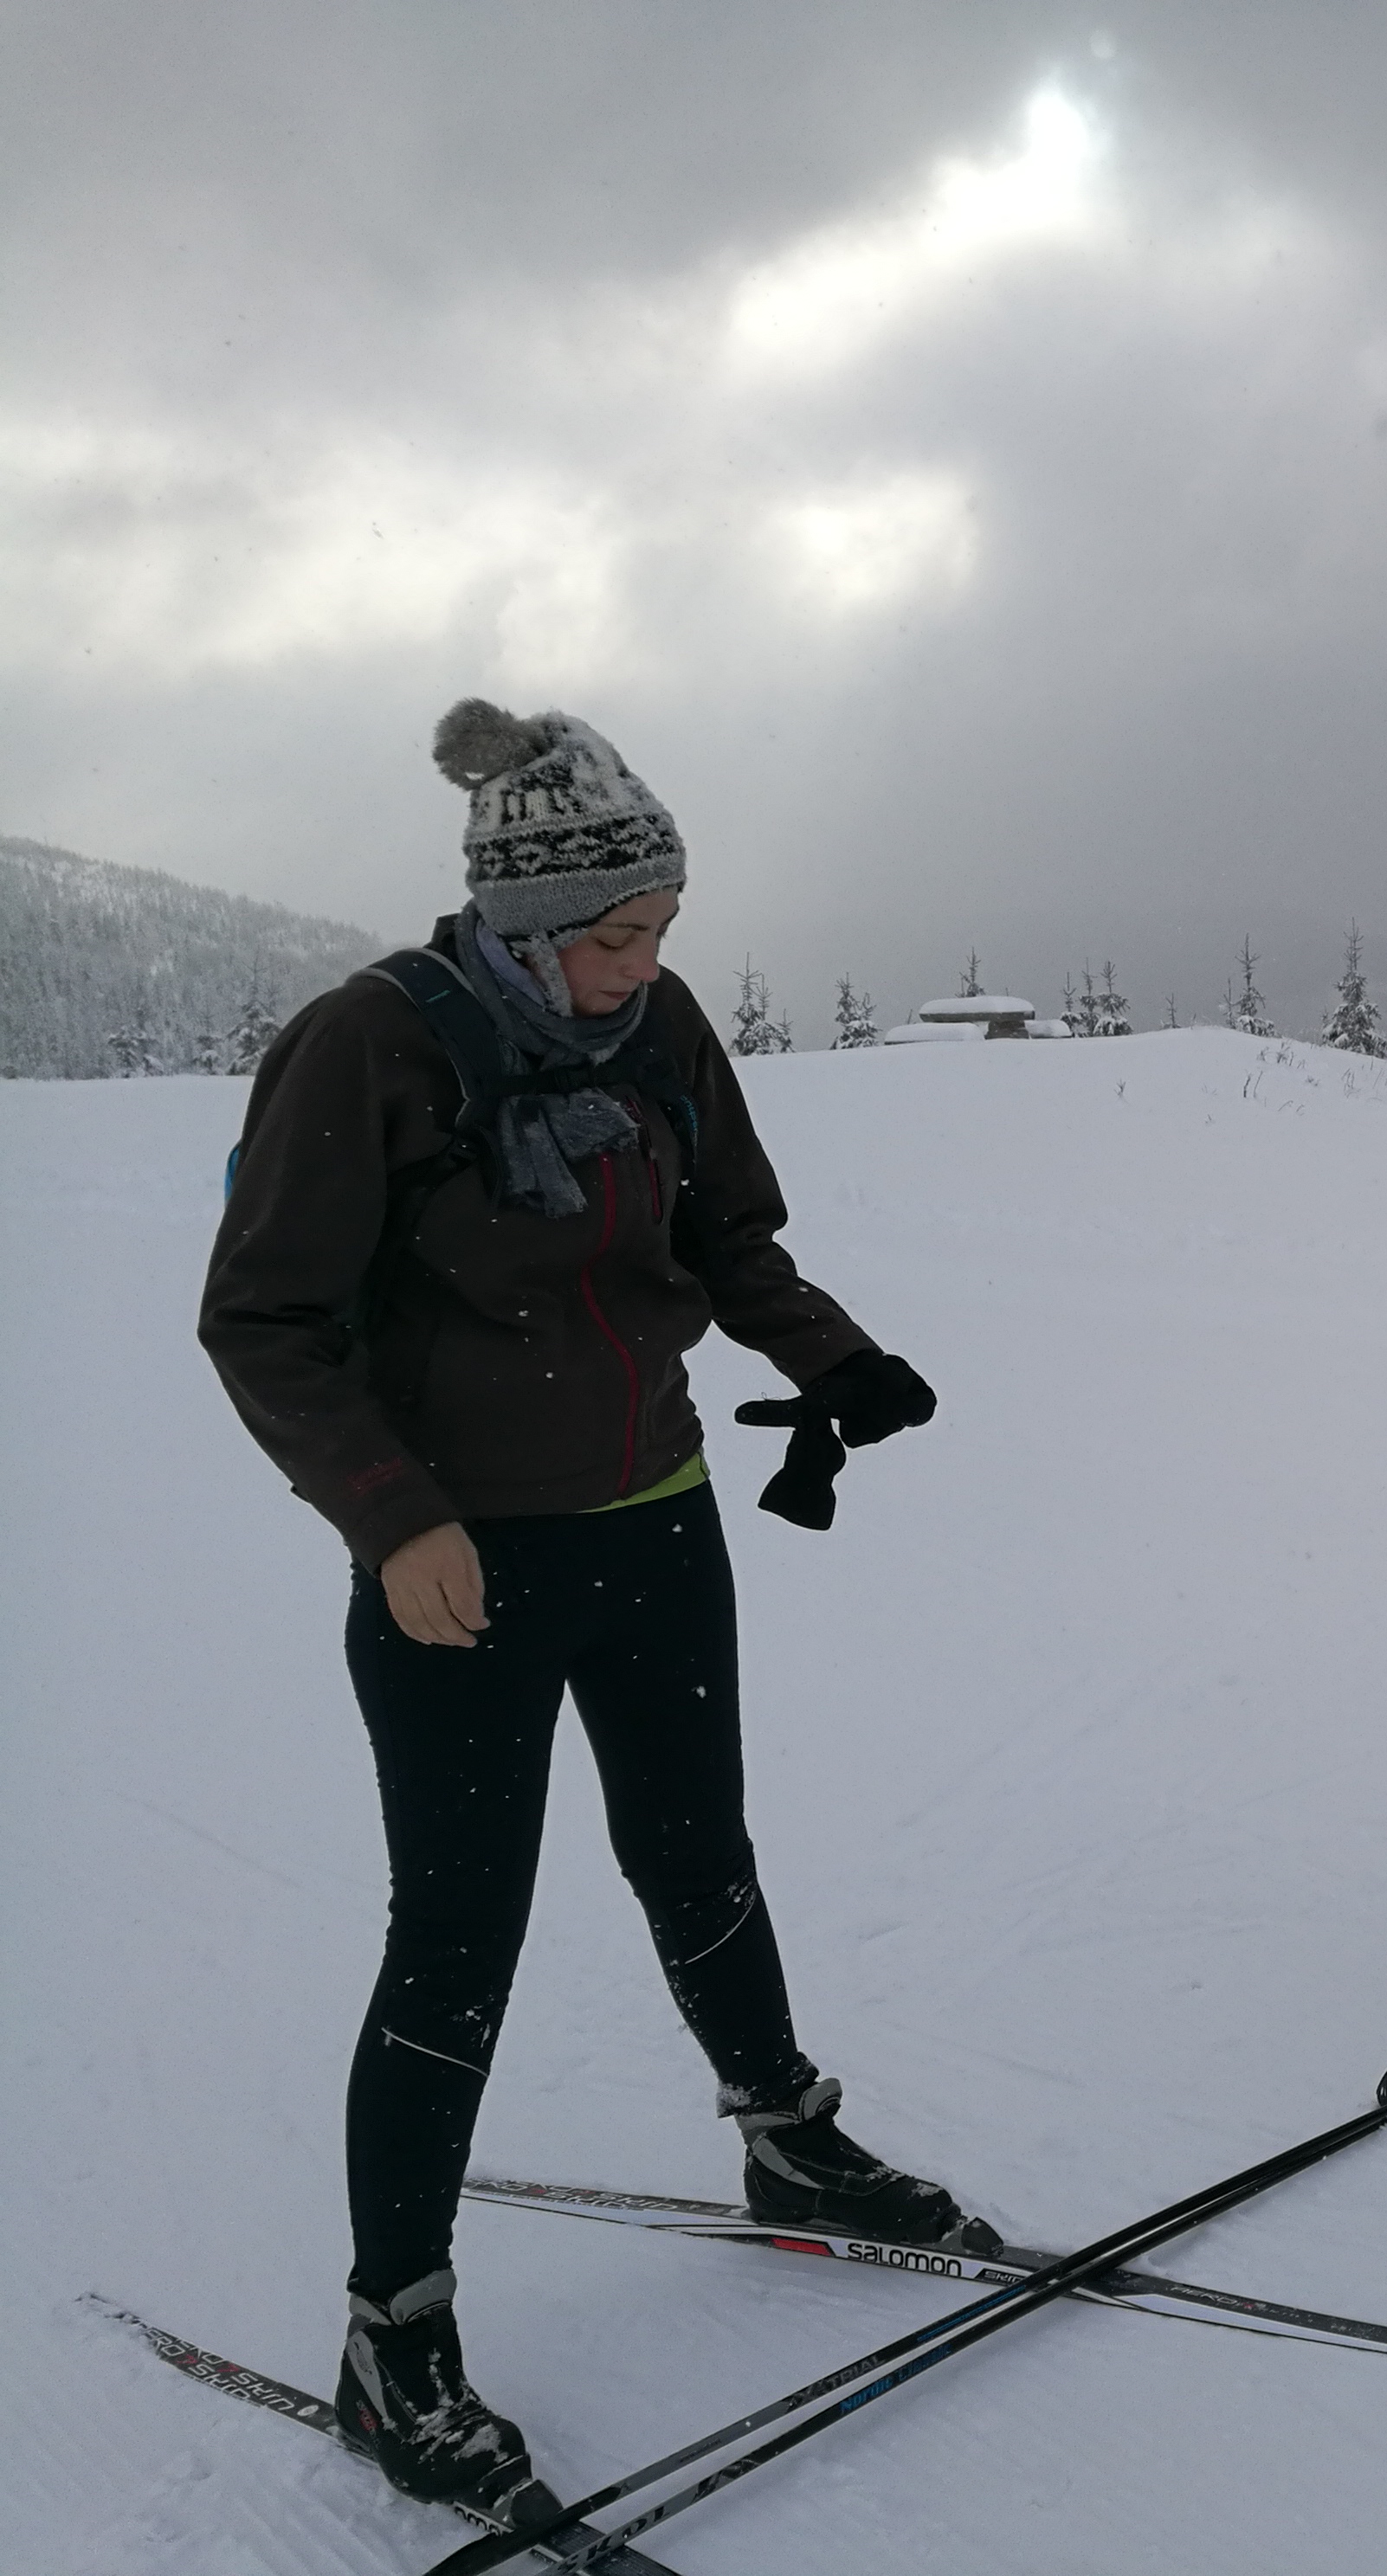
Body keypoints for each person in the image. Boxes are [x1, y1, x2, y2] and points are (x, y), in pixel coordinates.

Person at [200, 699, 973, 2511]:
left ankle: (786, 2142)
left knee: (701, 1852)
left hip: (655, 1520)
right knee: (459, 1931)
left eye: (664, 927)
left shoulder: (660, 1027)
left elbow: (726, 1236)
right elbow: (265, 1320)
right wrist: (393, 1519)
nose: (644, 964)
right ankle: (394, 2335)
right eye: (617, 935)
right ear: (528, 922)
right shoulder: (369, 1047)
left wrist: (831, 1355)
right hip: (464, 1567)